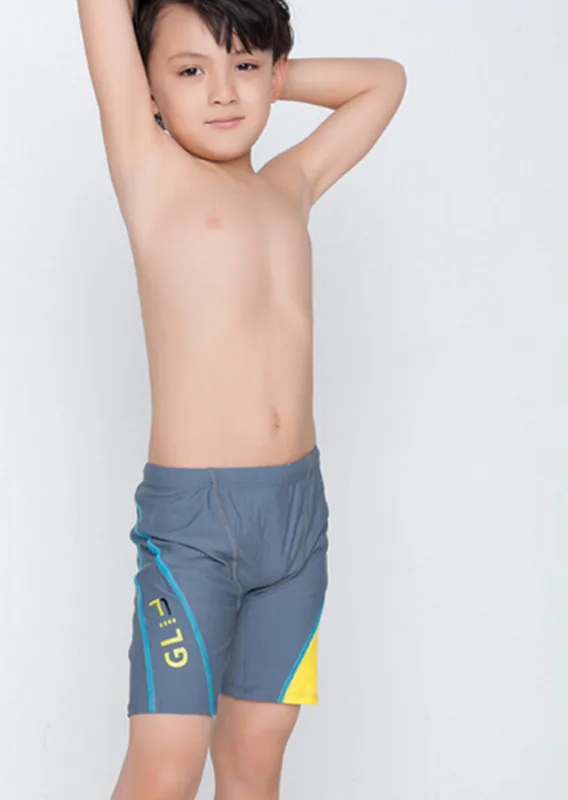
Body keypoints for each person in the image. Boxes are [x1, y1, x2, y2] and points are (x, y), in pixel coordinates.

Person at [76, 1, 406, 797]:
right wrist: (241, 67)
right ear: (147, 88)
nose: (224, 92)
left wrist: (265, 75)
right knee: (167, 764)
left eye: (245, 68)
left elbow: (385, 82)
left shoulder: (290, 184)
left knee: (257, 755)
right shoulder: (150, 174)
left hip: (296, 521)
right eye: (191, 71)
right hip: (195, 526)